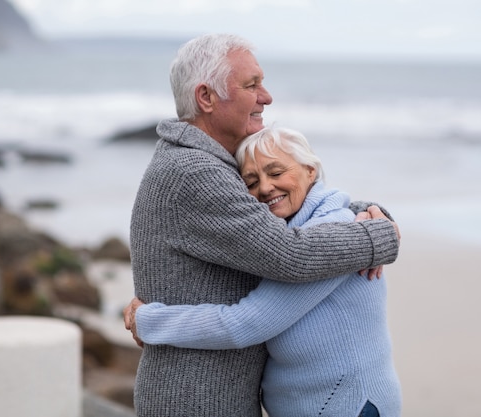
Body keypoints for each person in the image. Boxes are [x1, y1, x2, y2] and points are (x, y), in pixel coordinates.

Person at [126, 33, 400, 417]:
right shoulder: (196, 173)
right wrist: (380, 235)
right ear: (206, 97)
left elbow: (279, 218)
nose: (266, 96)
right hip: (196, 400)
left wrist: (364, 210)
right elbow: (291, 254)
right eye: (251, 85)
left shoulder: (209, 165)